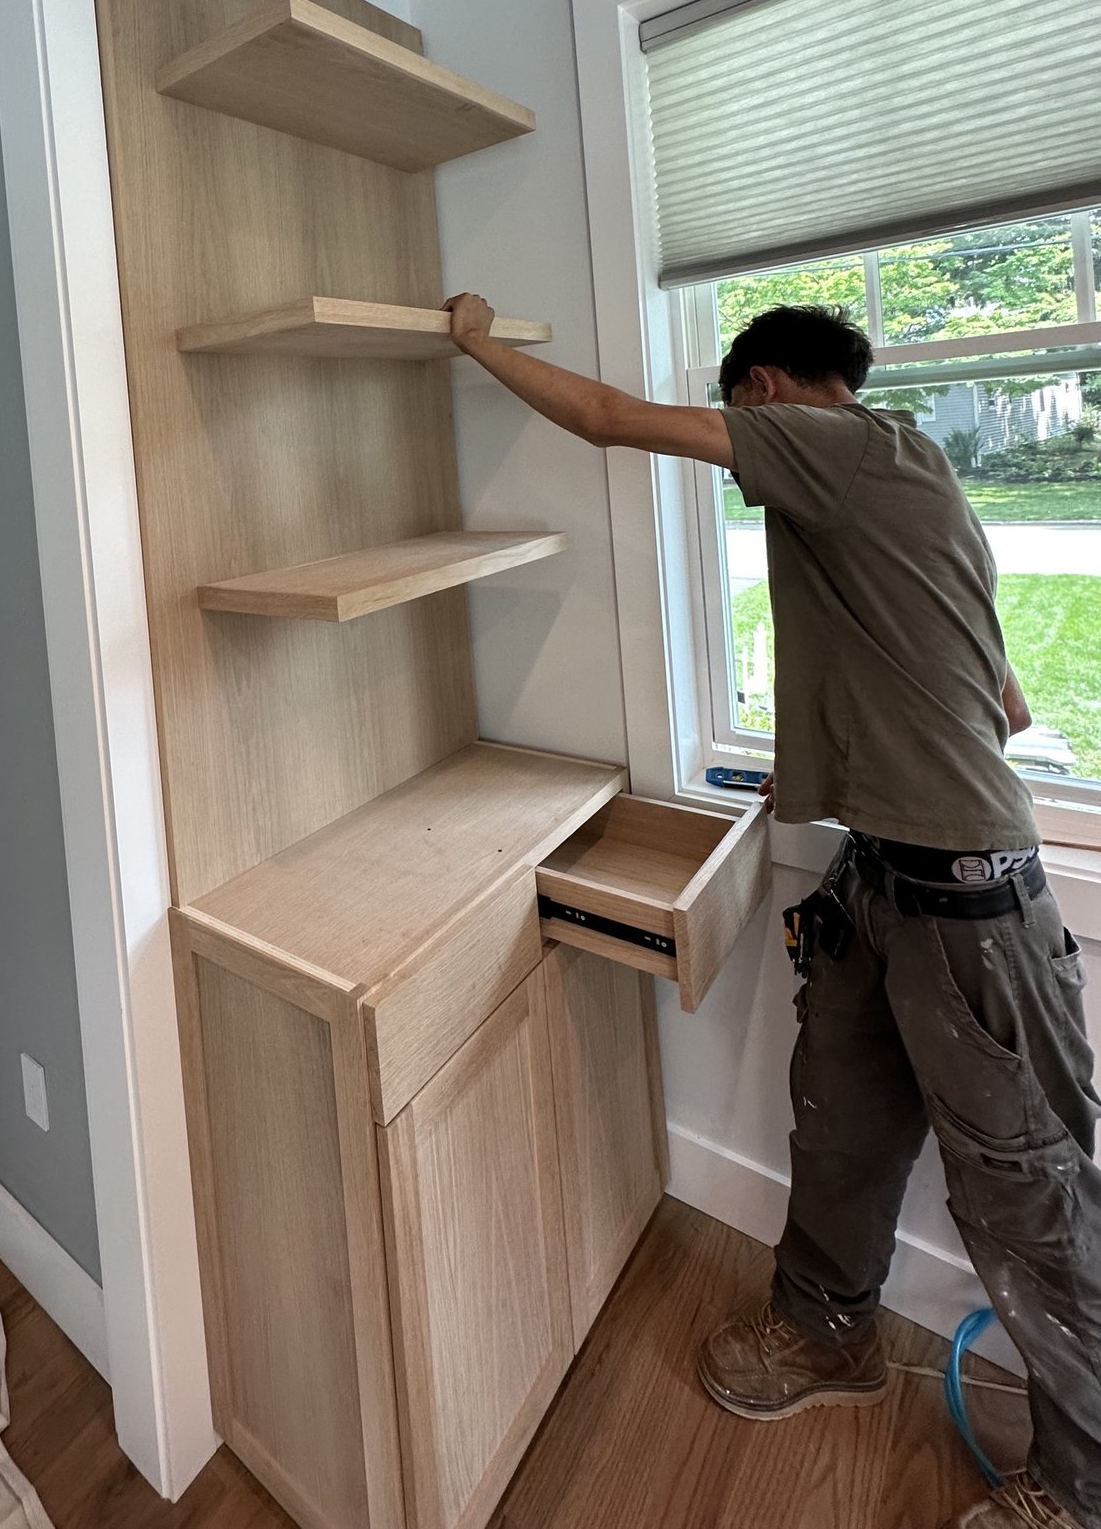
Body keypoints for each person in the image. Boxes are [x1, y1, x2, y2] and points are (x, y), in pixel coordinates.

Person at [444, 290, 1101, 1529]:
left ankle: (1082, 1485)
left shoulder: (833, 445)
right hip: (885, 883)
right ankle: (829, 1336)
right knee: (842, 1123)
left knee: (1031, 1198)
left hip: (971, 911)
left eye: (736, 408)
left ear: (763, 390)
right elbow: (1003, 700)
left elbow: (603, 419)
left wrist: (477, 338)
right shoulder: (918, 475)